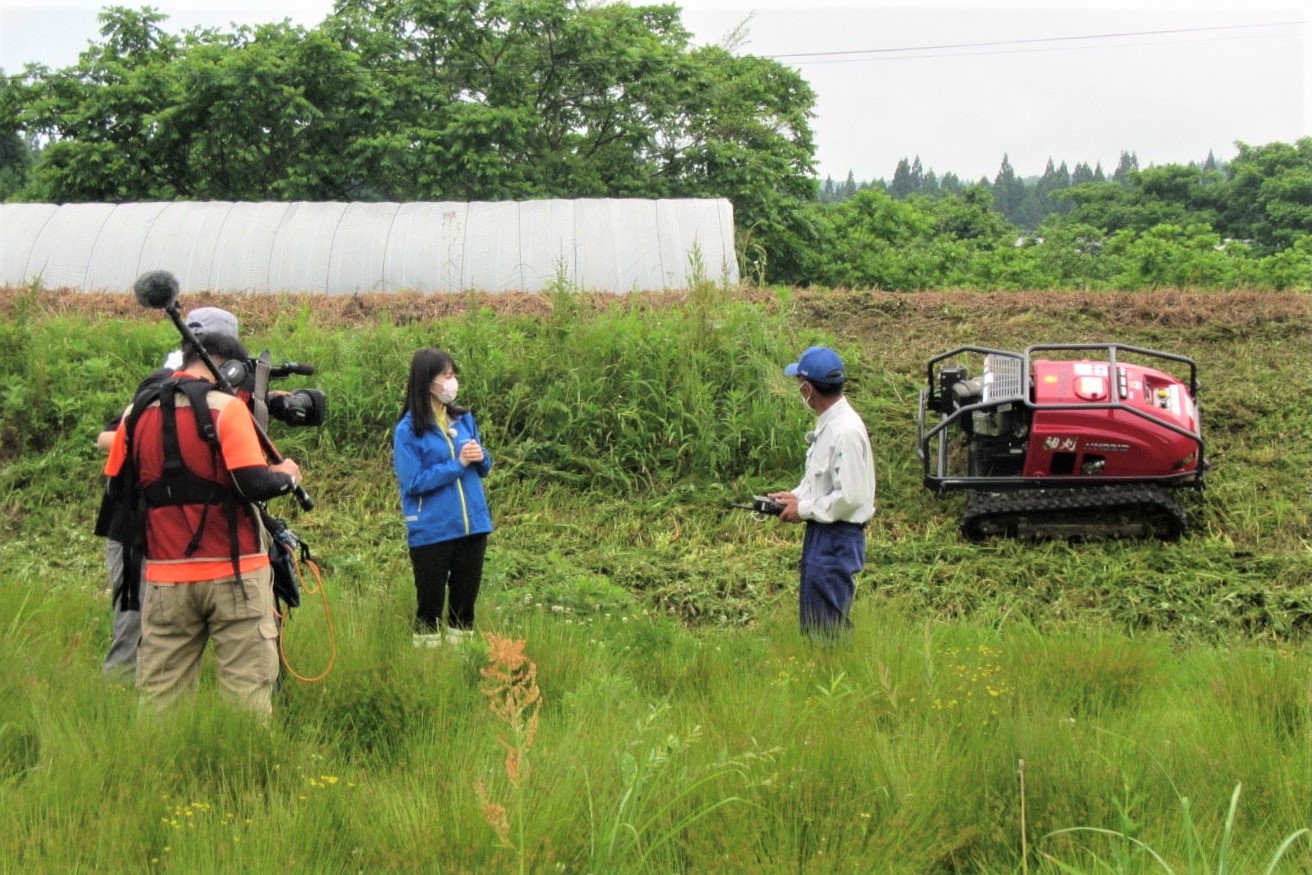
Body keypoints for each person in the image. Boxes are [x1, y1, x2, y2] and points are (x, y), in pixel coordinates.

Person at [101, 316, 301, 714]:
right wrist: (287, 475)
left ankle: (160, 772)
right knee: (247, 691)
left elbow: (116, 490)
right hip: (235, 573)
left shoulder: (136, 413)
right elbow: (253, 484)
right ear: (228, 366)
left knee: (161, 696)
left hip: (164, 578)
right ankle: (245, 774)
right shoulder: (227, 411)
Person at [92, 307, 235, 680]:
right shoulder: (161, 385)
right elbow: (106, 437)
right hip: (133, 526)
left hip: (170, 530)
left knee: (161, 629)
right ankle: (118, 697)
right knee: (132, 624)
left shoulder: (221, 394)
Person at [768, 346, 876, 637]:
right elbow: (821, 481)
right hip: (824, 533)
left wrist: (802, 509)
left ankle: (833, 674)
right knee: (814, 622)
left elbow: (850, 496)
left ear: (807, 388)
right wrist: (795, 497)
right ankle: (821, 671)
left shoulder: (846, 431)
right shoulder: (829, 425)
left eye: (799, 385)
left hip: (837, 538)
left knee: (826, 629)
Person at [393, 348, 494, 647]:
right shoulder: (407, 430)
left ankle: (461, 669)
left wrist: (480, 456)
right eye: (446, 376)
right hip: (432, 531)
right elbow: (413, 481)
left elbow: (483, 466)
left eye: (453, 376)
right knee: (430, 610)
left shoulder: (463, 419)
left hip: (472, 527)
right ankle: (427, 672)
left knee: (464, 609)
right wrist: (457, 464)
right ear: (427, 382)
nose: (452, 382)